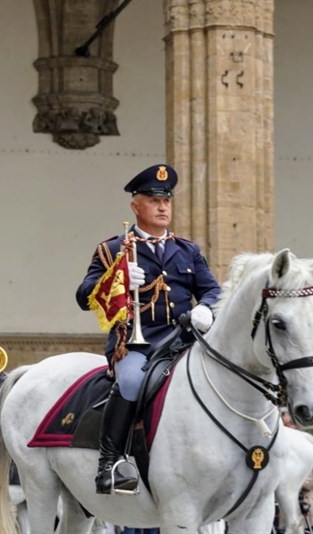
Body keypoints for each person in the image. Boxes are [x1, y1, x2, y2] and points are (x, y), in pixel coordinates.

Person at [75, 164, 221, 494]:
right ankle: (110, 463)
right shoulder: (112, 249)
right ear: (135, 205)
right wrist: (116, 279)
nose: (162, 207)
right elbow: (84, 297)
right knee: (130, 382)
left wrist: (204, 309)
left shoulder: (187, 250)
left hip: (185, 340)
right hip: (137, 344)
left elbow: (213, 289)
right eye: (154, 200)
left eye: (166, 200)